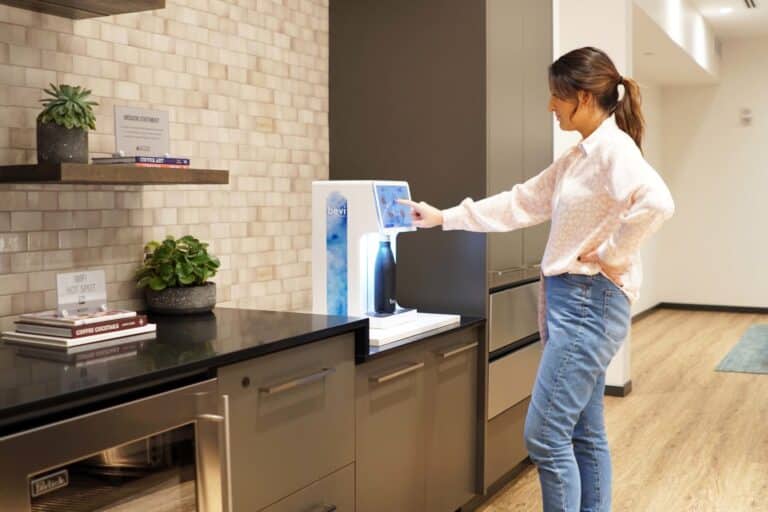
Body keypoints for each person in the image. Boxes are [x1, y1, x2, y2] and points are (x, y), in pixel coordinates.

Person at [397, 46, 674, 512]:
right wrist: (443, 217)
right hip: (576, 302)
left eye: (556, 96)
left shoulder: (612, 148)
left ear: (583, 98)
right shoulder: (579, 157)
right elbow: (521, 201)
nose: (550, 106)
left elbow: (657, 203)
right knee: (584, 434)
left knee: (544, 436)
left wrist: (609, 253)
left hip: (588, 301)